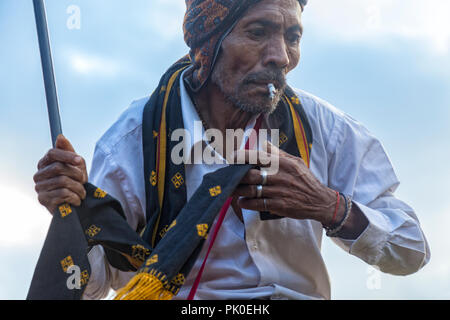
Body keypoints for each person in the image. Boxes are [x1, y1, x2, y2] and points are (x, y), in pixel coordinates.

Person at [33, 0, 430, 300]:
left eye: (292, 37)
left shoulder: (323, 129)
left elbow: (411, 251)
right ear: (208, 43)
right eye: (258, 32)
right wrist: (73, 213)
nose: (281, 57)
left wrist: (328, 206)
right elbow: (88, 286)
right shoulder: (135, 138)